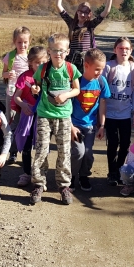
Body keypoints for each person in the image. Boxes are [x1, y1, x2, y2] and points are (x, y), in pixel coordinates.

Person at [29, 33, 81, 205]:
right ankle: (38, 184)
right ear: (49, 51)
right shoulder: (43, 69)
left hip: (64, 116)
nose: (58, 54)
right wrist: (35, 89)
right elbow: (36, 85)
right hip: (44, 114)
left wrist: (66, 95)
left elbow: (77, 90)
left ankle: (64, 186)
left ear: (67, 51)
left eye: (61, 50)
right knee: (41, 149)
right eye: (54, 50)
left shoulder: (71, 69)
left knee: (64, 151)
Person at [57, 0, 121, 73]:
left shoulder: (90, 25)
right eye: (81, 11)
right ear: (77, 12)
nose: (82, 14)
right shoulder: (71, 23)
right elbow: (59, 6)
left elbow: (106, 11)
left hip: (87, 61)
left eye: (86, 12)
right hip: (72, 61)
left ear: (89, 14)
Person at [70, 48, 111, 192]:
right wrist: (70, 125)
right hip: (75, 125)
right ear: (86, 65)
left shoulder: (101, 81)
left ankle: (84, 176)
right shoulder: (77, 81)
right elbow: (67, 105)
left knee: (88, 153)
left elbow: (103, 104)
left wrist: (102, 125)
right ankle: (71, 177)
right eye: (97, 69)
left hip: (91, 126)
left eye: (102, 69)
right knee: (78, 152)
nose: (100, 72)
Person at [103, 37, 134, 186]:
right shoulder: (108, 66)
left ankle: (120, 170)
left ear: (131, 51)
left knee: (125, 144)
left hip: (125, 113)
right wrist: (101, 115)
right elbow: (102, 91)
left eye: (126, 49)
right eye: (120, 48)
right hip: (110, 113)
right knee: (113, 143)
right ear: (115, 50)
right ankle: (112, 173)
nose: (123, 51)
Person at [13, 46, 48, 187]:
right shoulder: (25, 77)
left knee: (42, 146)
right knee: (26, 146)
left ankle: (40, 173)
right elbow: (16, 97)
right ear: (30, 63)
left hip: (44, 116)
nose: (40, 65)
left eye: (43, 62)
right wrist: (23, 105)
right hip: (28, 116)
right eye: (37, 62)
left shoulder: (49, 76)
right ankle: (26, 173)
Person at [1, 26, 31, 165]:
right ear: (14, 42)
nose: (22, 45)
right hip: (12, 93)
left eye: (25, 42)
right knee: (11, 122)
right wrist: (8, 74)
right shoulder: (10, 56)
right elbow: (3, 73)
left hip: (27, 95)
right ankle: (12, 152)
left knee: (24, 122)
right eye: (19, 42)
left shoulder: (31, 57)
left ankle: (25, 151)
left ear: (29, 42)